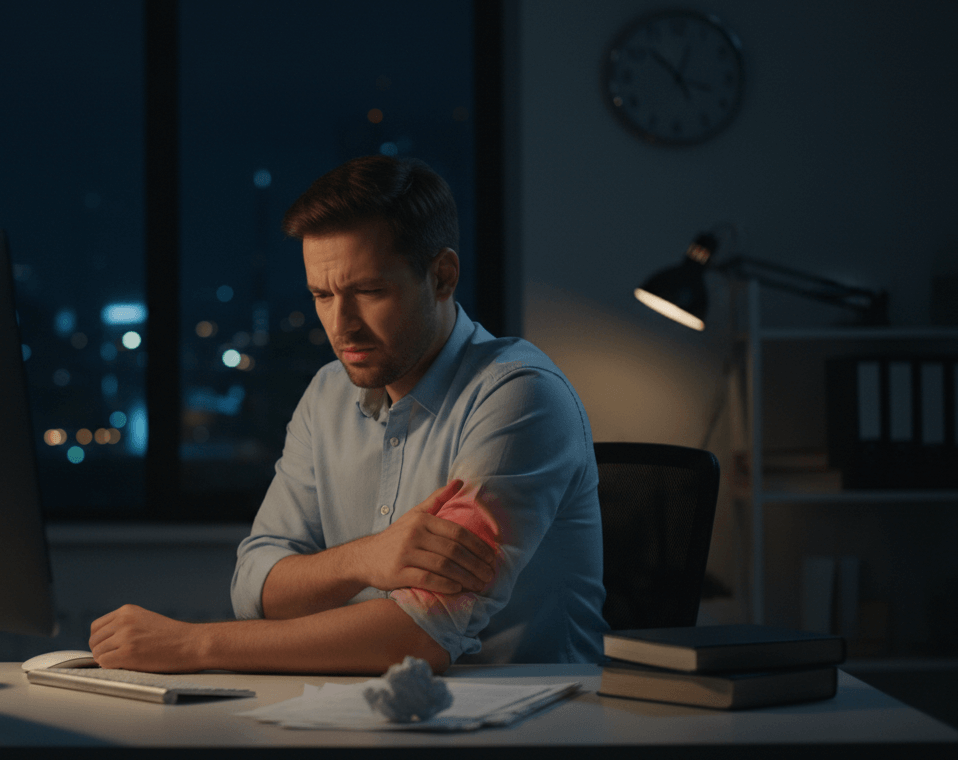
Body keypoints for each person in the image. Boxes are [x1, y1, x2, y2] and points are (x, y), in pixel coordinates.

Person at [88, 156, 607, 674]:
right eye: (322, 295)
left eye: (369, 292)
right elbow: (256, 588)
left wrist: (192, 647)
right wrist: (366, 558)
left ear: (442, 277)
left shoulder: (520, 395)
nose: (342, 326)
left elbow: (421, 634)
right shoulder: (328, 394)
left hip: (531, 728)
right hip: (367, 714)